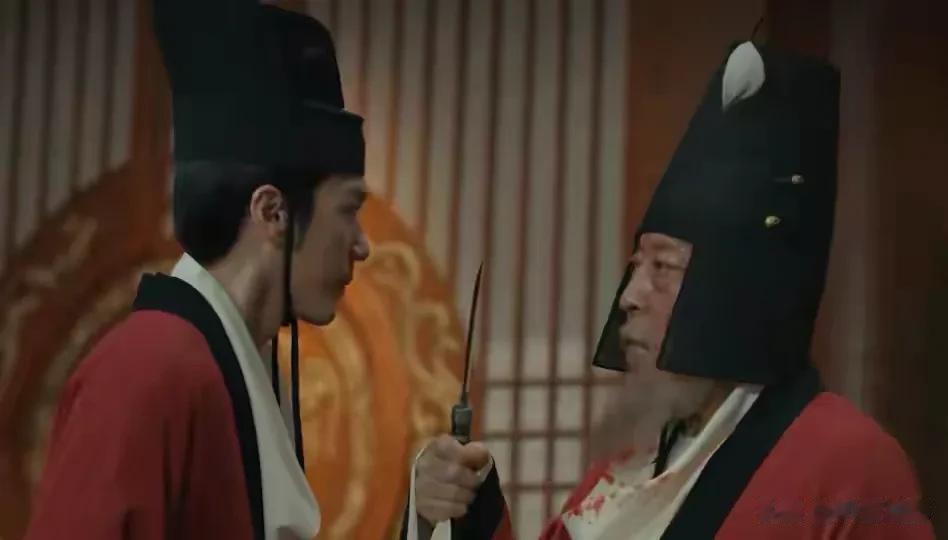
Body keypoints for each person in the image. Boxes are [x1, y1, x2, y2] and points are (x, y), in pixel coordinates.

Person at [402, 41, 936, 539]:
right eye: (635, 266)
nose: (629, 296)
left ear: (730, 288)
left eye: (662, 267)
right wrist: (462, 509)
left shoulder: (852, 464)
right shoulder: (630, 464)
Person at [23, 2, 367, 539]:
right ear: (272, 212)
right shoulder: (146, 369)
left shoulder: (244, 367)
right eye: (348, 210)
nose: (362, 245)